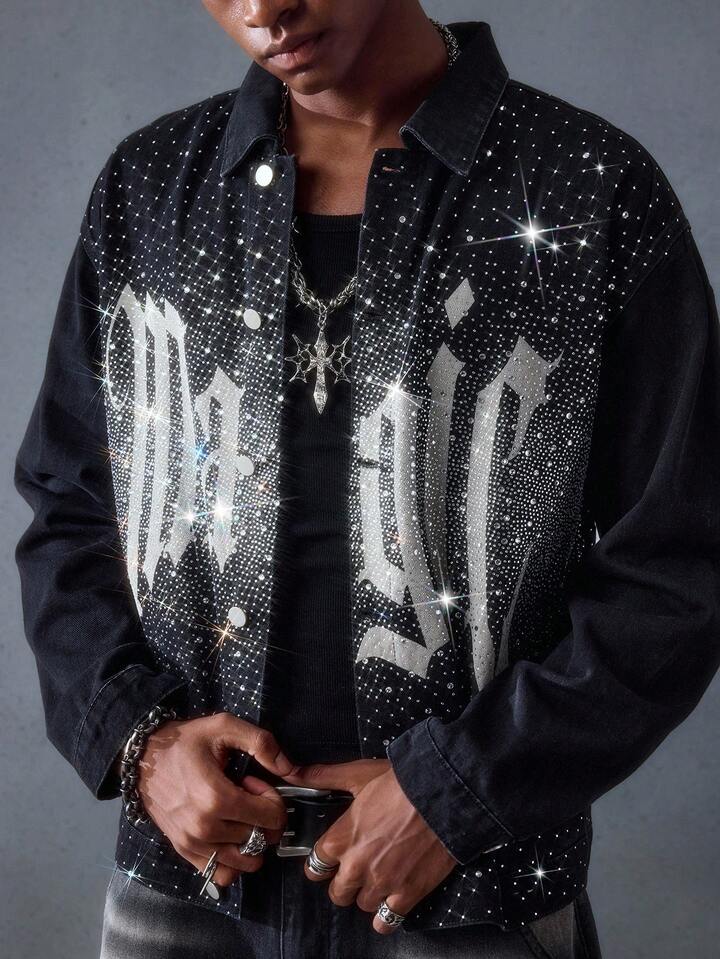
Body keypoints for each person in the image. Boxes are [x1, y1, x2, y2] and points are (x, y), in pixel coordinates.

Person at [14, 2, 720, 957]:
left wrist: (458, 789)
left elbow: (679, 564)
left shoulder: (587, 189)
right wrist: (140, 744)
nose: (264, 11)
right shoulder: (148, 188)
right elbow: (69, 505)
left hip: (473, 896)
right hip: (187, 886)